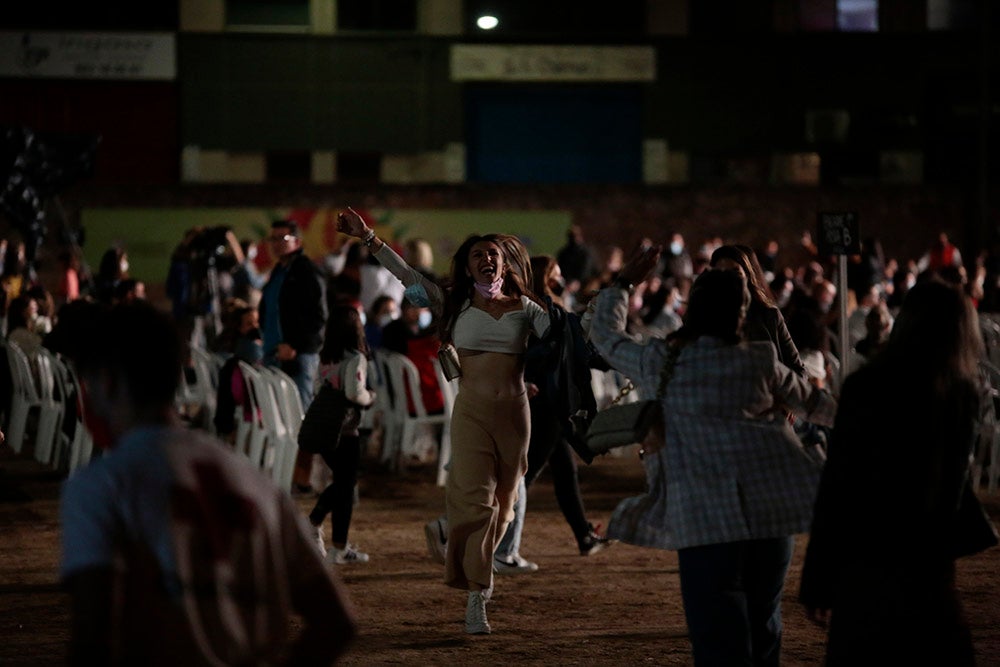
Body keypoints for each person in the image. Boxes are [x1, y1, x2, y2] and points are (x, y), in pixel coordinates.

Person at [53, 301, 355, 665]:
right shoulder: (253, 481)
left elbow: (93, 638)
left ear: (106, 381)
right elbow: (336, 621)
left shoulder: (101, 486)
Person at [590, 255, 836, 667]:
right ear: (742, 313)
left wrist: (623, 284)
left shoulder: (661, 360)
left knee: (717, 638)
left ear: (690, 310)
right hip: (771, 513)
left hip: (703, 517)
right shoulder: (759, 360)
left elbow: (606, 336)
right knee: (765, 626)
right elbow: (820, 406)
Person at [337, 207, 549, 636]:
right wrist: (370, 238)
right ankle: (478, 598)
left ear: (504, 262)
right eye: (476, 255)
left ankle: (459, 545)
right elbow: (408, 278)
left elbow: (563, 341)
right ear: (467, 265)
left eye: (492, 253)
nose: (485, 260)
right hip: (471, 412)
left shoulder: (528, 308)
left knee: (504, 510)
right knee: (477, 502)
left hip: (516, 416)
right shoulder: (452, 303)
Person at [799, 280, 987, 665]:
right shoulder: (960, 393)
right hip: (928, 565)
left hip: (865, 556)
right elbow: (952, 488)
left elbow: (837, 487)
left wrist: (817, 579)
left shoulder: (865, 386)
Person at [259, 219, 327, 492]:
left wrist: (296, 346)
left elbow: (319, 318)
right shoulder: (279, 270)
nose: (276, 243)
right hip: (274, 353)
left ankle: (302, 478)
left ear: (297, 241)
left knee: (301, 418)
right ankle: (285, 473)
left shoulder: (307, 272)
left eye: (282, 238)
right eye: (272, 238)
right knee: (280, 419)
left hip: (298, 356)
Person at [307, 305, 376, 565]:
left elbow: (316, 388)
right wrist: (370, 397)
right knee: (346, 485)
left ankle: (337, 543)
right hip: (346, 430)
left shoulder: (325, 357)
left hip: (323, 426)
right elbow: (354, 392)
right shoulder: (355, 358)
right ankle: (321, 529)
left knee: (343, 485)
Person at [710, 244, 805, 375]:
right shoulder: (704, 319)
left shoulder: (769, 316)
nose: (728, 280)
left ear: (747, 276)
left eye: (735, 273)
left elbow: (798, 370)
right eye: (720, 273)